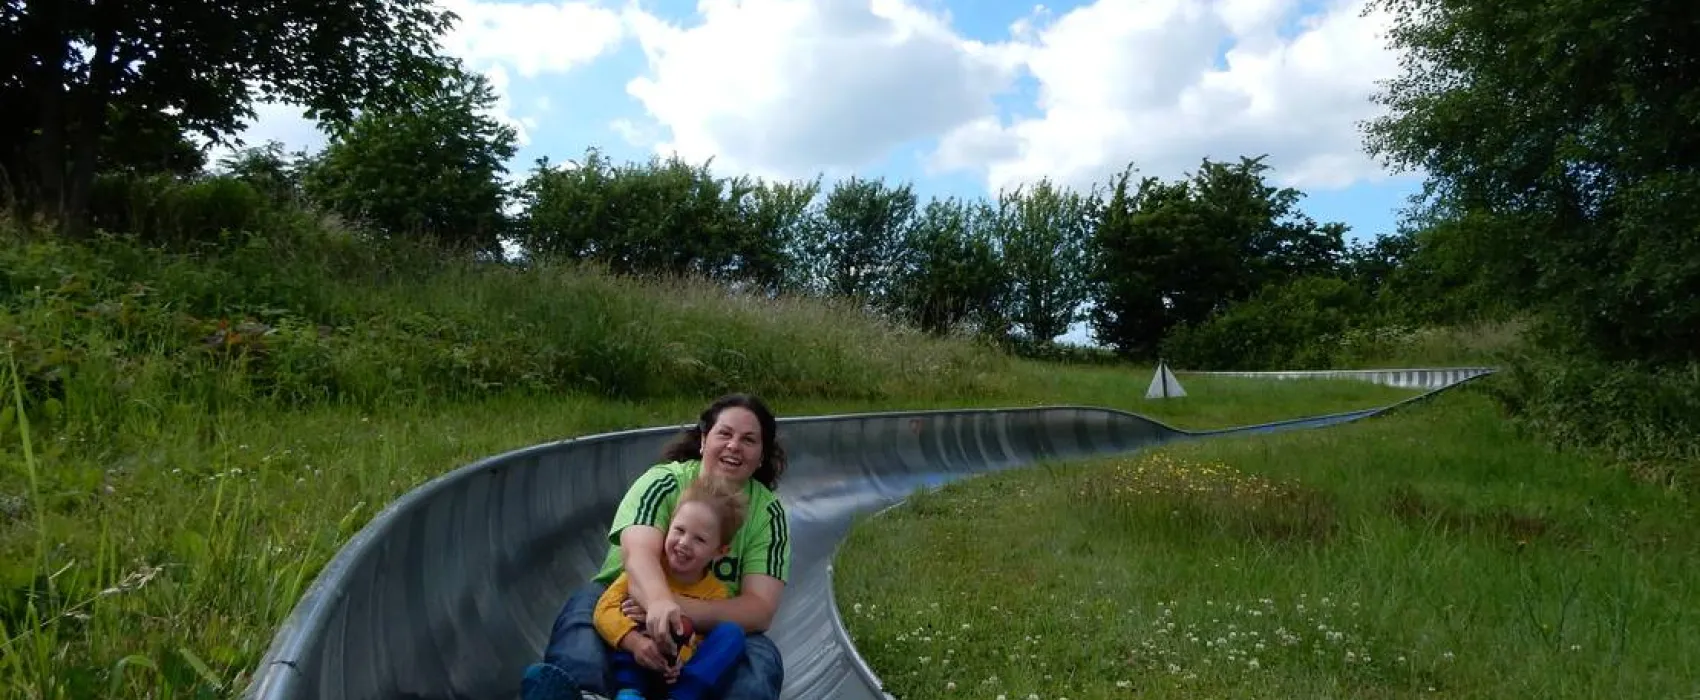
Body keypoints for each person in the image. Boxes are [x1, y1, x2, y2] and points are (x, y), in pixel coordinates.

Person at [522, 393, 791, 700]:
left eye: (748, 440)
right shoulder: (662, 483)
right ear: (704, 440)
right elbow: (639, 554)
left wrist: (679, 607)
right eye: (725, 434)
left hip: (709, 626)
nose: (734, 446)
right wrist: (657, 602)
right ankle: (582, 692)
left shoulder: (768, 514)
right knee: (586, 610)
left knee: (759, 654)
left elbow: (759, 608)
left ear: (761, 456)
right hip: (628, 600)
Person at [593, 474, 748, 700]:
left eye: (699, 540)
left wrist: (681, 659)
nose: (684, 543)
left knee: (732, 634)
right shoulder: (650, 571)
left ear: (719, 551)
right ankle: (627, 695)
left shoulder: (716, 593)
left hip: (677, 677)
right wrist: (636, 643)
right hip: (635, 663)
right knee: (624, 636)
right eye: (679, 530)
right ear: (668, 527)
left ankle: (682, 696)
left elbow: (702, 642)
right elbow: (603, 611)